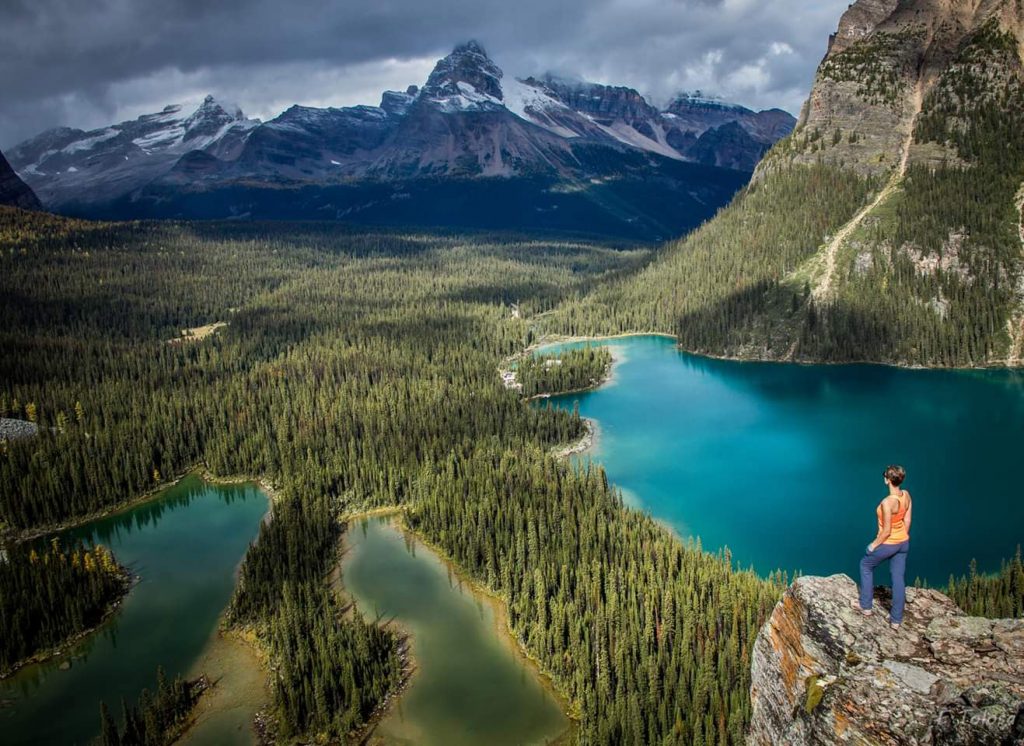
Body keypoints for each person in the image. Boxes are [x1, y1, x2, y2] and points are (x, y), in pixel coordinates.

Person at [853, 465, 912, 629]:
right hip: (903, 542)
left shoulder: (887, 503)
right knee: (898, 578)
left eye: (885, 476)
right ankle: (896, 620)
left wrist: (873, 545)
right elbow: (907, 520)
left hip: (888, 543)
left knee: (865, 565)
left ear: (887, 480)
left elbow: (886, 531)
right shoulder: (906, 495)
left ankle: (865, 607)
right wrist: (901, 537)